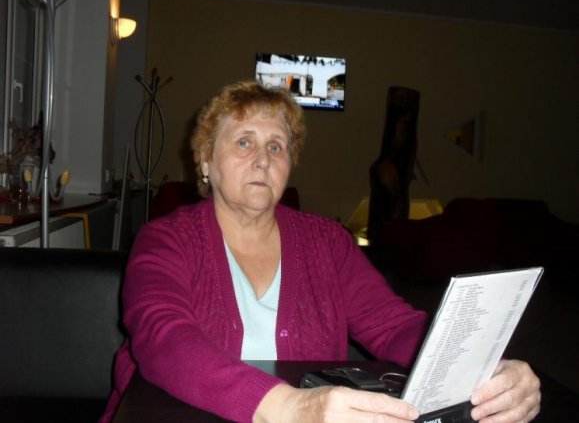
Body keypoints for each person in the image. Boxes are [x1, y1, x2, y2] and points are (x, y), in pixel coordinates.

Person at [101, 81, 540, 422]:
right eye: (243, 142)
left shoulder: (327, 241)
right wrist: (288, 407)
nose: (262, 159)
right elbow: (164, 338)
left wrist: (480, 369)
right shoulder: (164, 239)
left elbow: (392, 325)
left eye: (276, 146)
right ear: (205, 162)